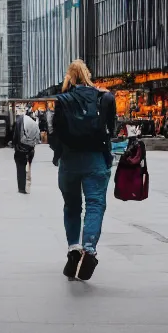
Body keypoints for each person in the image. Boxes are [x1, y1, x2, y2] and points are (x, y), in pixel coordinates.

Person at [52, 60, 116, 280]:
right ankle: (89, 248)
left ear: (70, 77)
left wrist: (58, 153)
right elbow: (112, 130)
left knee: (71, 205)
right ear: (87, 75)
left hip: (69, 161)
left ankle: (73, 248)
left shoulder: (63, 100)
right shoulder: (103, 98)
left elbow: (56, 134)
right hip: (96, 159)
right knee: (95, 204)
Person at [12, 110, 41, 193]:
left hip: (21, 149)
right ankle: (27, 185)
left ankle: (22, 187)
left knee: (20, 167)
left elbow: (16, 136)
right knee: (28, 166)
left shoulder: (20, 121)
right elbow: (38, 139)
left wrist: (14, 144)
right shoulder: (34, 124)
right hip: (31, 148)